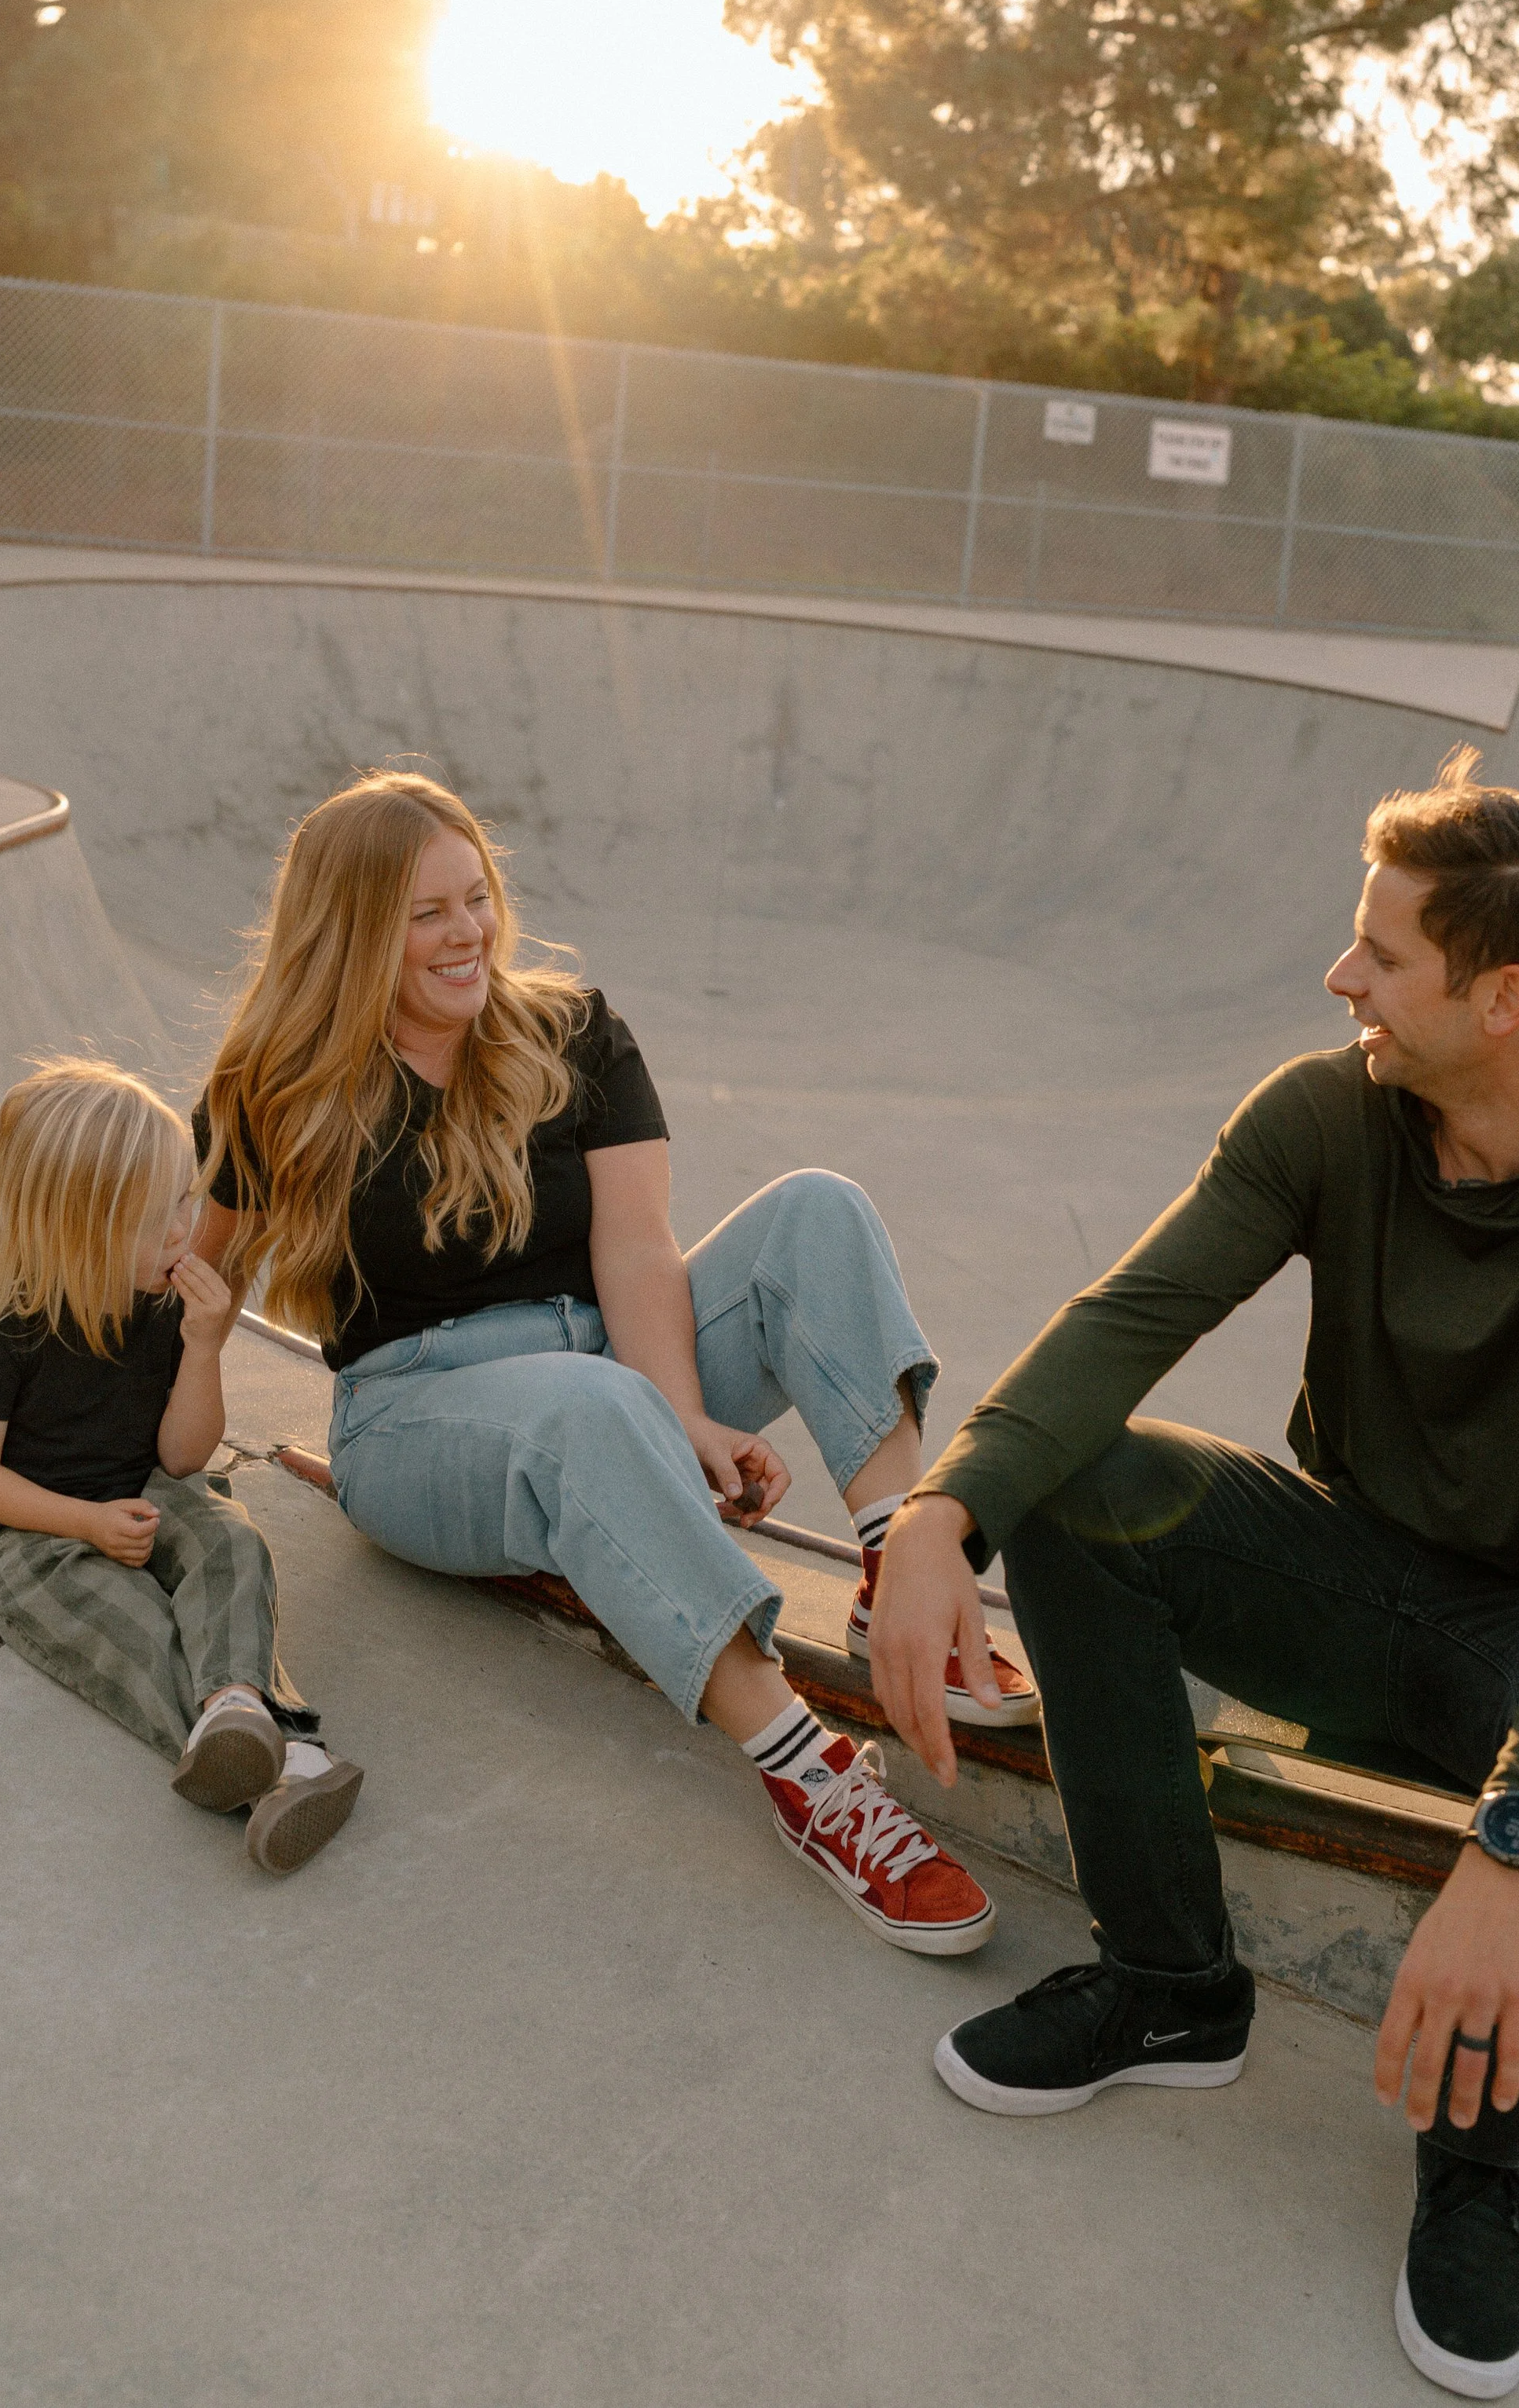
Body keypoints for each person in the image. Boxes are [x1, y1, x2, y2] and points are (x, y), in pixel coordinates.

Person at [866, 750, 1519, 2399]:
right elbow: (1130, 1317)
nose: (1336, 974)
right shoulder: (1327, 1112)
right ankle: (1167, 1988)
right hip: (1339, 1572)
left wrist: (1514, 1838)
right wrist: (942, 1514)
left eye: (1378, 954)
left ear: (1500, 999)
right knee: (1073, 1492)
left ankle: (1479, 2165)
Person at [191, 767, 1018, 1954]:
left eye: (475, 895)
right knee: (589, 1407)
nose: (468, 931)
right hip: (417, 1417)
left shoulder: (570, 1029)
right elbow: (186, 1274)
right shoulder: (277, 1086)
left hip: (621, 1360)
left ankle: (899, 1571)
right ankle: (815, 1781)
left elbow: (637, 1250)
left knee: (814, 1212)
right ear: (354, 928)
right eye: (426, 912)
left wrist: (683, 1414)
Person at [0, 1059, 362, 1875]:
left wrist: (204, 1345)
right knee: (136, 1630)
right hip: (35, 1535)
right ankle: (283, 1767)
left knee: (231, 1547)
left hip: (150, 1486)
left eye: (183, 1200)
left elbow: (183, 1455)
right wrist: (83, 1521)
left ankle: (238, 1704)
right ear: (78, 1231)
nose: (185, 1229)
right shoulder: (7, 1325)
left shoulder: (167, 1302)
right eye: (158, 1218)